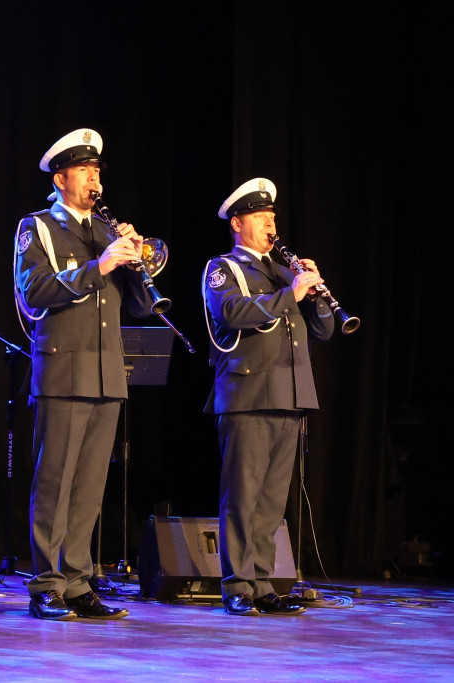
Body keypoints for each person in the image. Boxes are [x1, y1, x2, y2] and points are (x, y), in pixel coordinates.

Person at [13, 128, 149, 620]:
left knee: (90, 484)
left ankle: (77, 581)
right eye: (85, 170)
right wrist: (99, 265)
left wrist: (136, 259)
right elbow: (35, 292)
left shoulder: (106, 230)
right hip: (64, 369)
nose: (94, 178)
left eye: (97, 170)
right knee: (55, 481)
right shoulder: (39, 227)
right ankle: (46, 584)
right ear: (61, 177)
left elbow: (136, 301)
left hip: (106, 371)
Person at [202, 177, 335, 616]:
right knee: (242, 496)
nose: (270, 223)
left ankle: (261, 583)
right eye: (261, 217)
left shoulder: (283, 272)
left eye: (272, 216)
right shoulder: (224, 268)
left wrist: (315, 295)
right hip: (248, 394)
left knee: (272, 501)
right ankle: (237, 586)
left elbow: (324, 331)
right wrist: (288, 295)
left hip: (289, 395)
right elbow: (232, 312)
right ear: (238, 223)